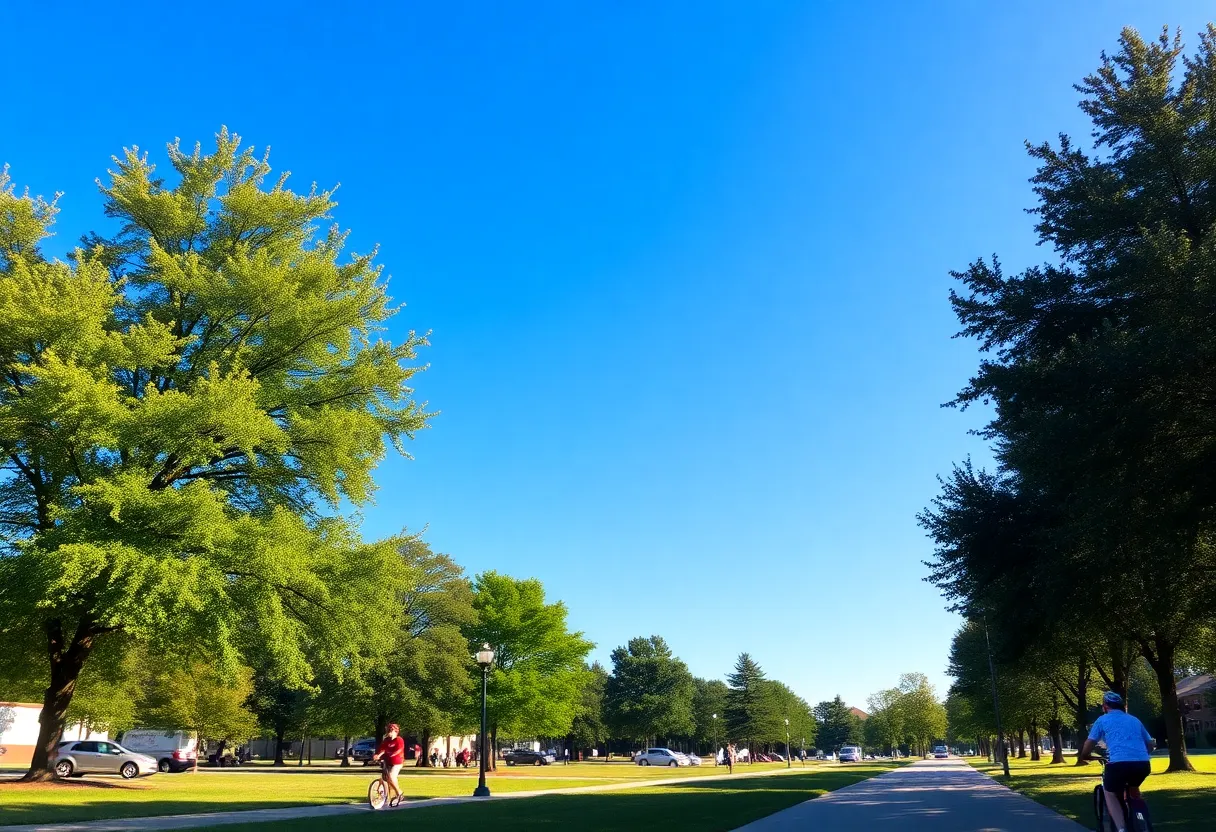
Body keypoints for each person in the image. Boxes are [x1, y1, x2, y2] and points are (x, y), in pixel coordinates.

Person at [1080, 691, 1154, 832]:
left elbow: (1090, 742)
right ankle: (1142, 818)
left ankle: (1121, 828)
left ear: (1105, 706)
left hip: (1118, 765)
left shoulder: (1102, 720)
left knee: (1110, 792)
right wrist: (1142, 754)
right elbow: (1150, 744)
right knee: (1134, 789)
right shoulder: (1134, 720)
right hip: (1143, 764)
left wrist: (1085, 755)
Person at [371, 723, 405, 806]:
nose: (389, 732)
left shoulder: (399, 740)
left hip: (397, 762)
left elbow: (399, 749)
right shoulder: (386, 740)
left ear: (395, 731)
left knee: (391, 776)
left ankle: (399, 793)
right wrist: (377, 755)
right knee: (385, 778)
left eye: (390, 730)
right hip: (388, 761)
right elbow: (382, 749)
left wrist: (392, 754)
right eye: (388, 730)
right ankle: (389, 795)